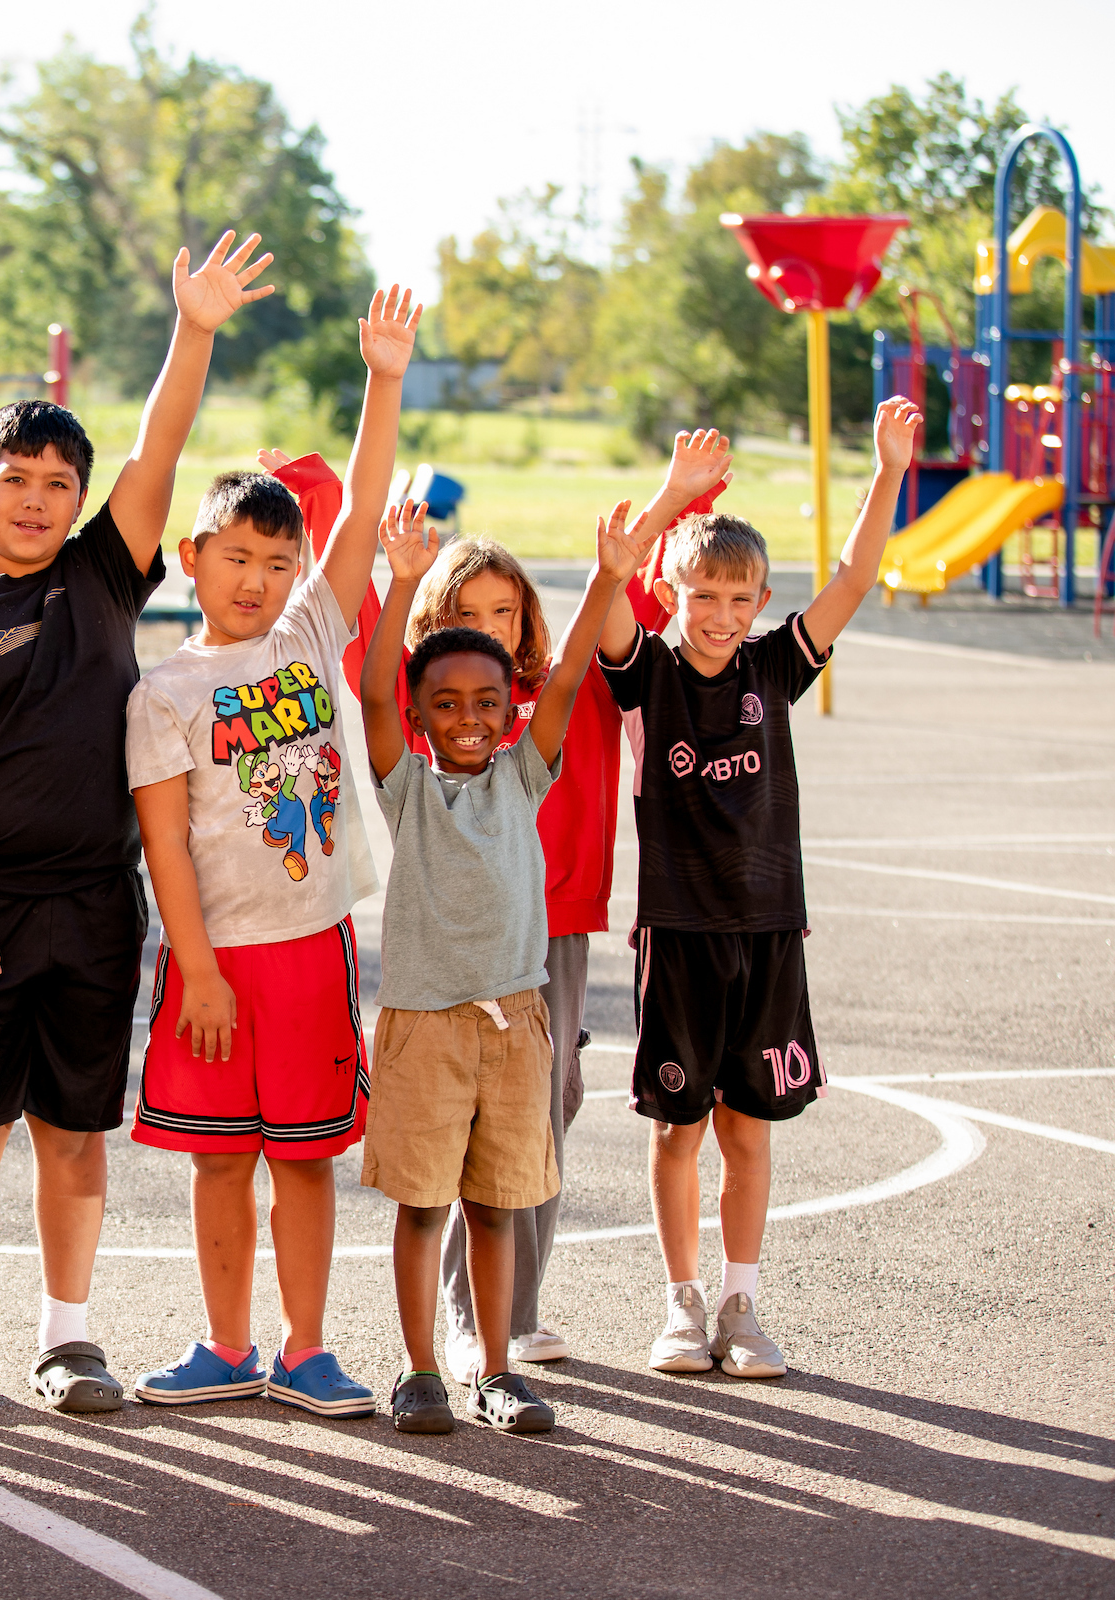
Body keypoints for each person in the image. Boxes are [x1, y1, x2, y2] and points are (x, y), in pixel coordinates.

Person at [0, 229, 278, 1416]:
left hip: (96, 909)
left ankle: (68, 1337)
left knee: (71, 1130)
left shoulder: (107, 573)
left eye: (60, 482)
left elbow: (160, 441)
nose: (41, 499)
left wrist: (193, 328)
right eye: (19, 480)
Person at [341, 431, 733, 1382]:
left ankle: (508, 1317)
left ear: (525, 621)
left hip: (549, 933)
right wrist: (393, 571)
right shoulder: (435, 729)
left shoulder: (560, 707)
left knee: (544, 1110)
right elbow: (375, 684)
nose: (490, 623)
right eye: (468, 610)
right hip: (445, 974)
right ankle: (466, 1328)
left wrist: (674, 495)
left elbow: (620, 592)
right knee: (454, 1147)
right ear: (440, 633)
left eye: (505, 609)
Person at [121, 287, 421, 1417]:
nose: (257, 578)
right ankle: (225, 1344)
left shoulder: (307, 634)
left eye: (276, 559)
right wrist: (194, 968)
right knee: (218, 1163)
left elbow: (358, 521)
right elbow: (164, 845)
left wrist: (382, 378)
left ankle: (306, 1350)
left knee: (305, 1159)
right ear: (193, 557)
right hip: (216, 957)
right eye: (236, 556)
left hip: (311, 949)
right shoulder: (164, 691)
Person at [599, 396, 924, 1381]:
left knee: (748, 1128)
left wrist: (887, 471)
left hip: (770, 931)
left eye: (740, 598)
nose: (721, 615)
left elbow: (857, 574)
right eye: (703, 594)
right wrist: (670, 503)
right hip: (680, 932)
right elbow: (612, 583)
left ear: (759, 603)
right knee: (677, 1128)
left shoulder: (773, 667)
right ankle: (680, 1302)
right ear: (675, 591)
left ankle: (741, 1301)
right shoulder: (649, 672)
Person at [358, 494, 659, 1434]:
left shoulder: (526, 772)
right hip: (424, 1026)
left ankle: (495, 1369)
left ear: (509, 709)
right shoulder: (405, 784)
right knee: (421, 1208)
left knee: (496, 1204)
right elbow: (370, 695)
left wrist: (609, 572)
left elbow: (567, 677)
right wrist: (404, 578)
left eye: (487, 702)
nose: (469, 718)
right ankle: (418, 1369)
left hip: (517, 1025)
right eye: (444, 704)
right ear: (418, 713)